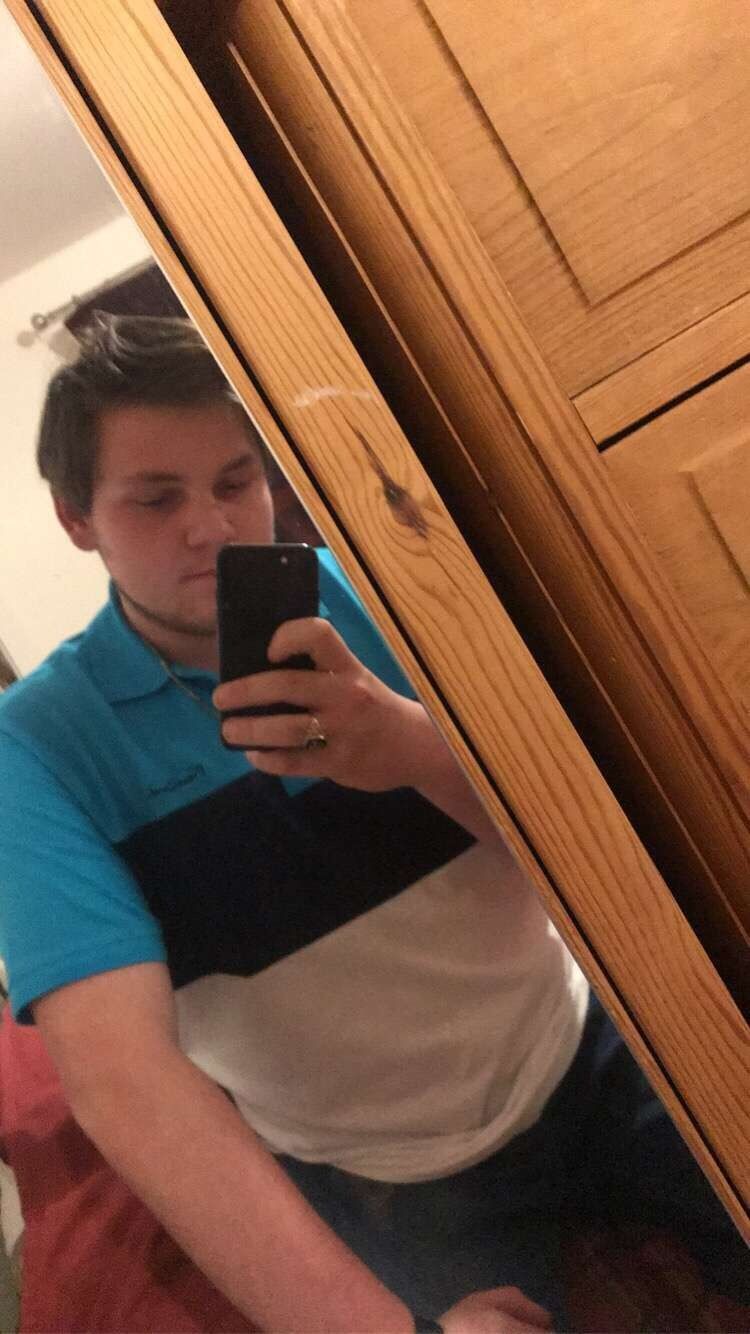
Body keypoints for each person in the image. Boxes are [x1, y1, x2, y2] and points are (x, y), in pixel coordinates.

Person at [0, 316, 745, 1334]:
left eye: (235, 480)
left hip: (586, 1039)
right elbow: (123, 1080)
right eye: (157, 497)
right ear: (77, 518)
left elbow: (610, 848)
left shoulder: (393, 593)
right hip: (383, 1171)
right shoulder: (35, 748)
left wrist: (413, 748)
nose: (212, 527)